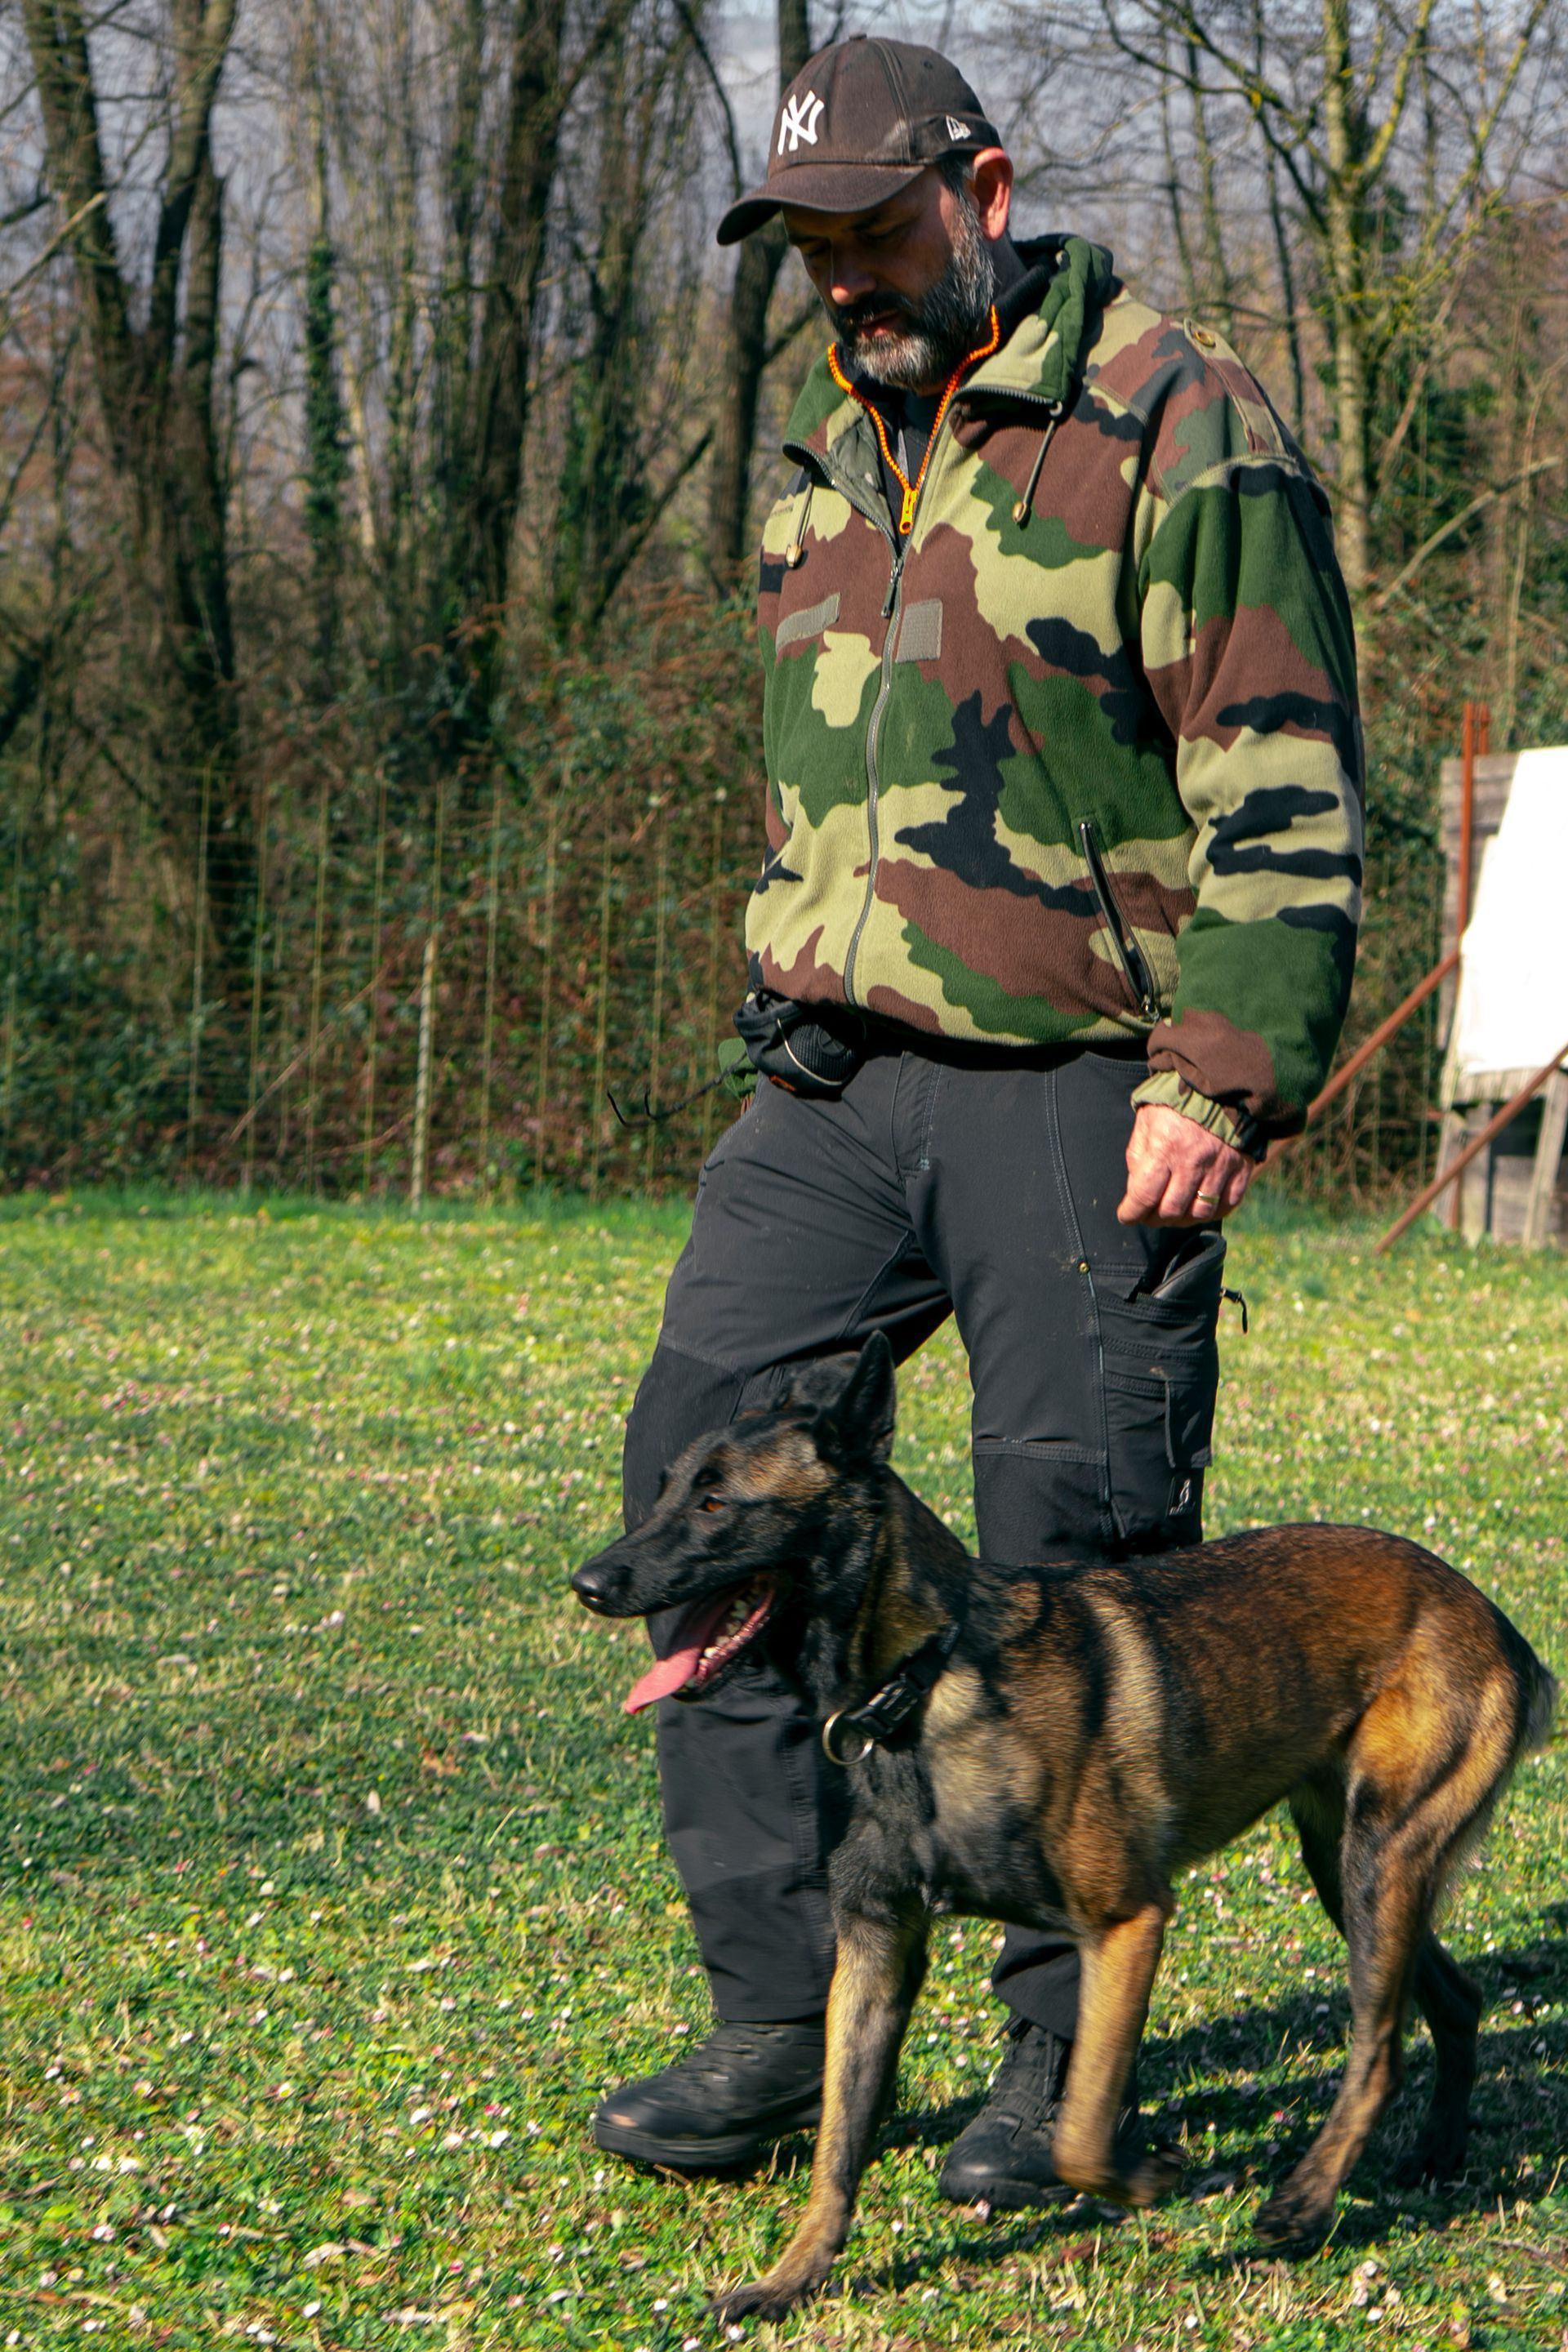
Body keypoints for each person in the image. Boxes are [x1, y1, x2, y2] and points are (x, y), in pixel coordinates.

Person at [592, 33, 1364, 2205]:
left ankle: (1049, 2063)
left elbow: (1286, 779)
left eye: (876, 230)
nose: (844, 278)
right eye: (808, 247)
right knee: (698, 1506)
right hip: (836, 1084)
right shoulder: (825, 449)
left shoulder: (1171, 423)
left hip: (1081, 1093)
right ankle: (775, 2011)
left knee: (1074, 1564)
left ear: (987, 188)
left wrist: (1223, 1071)